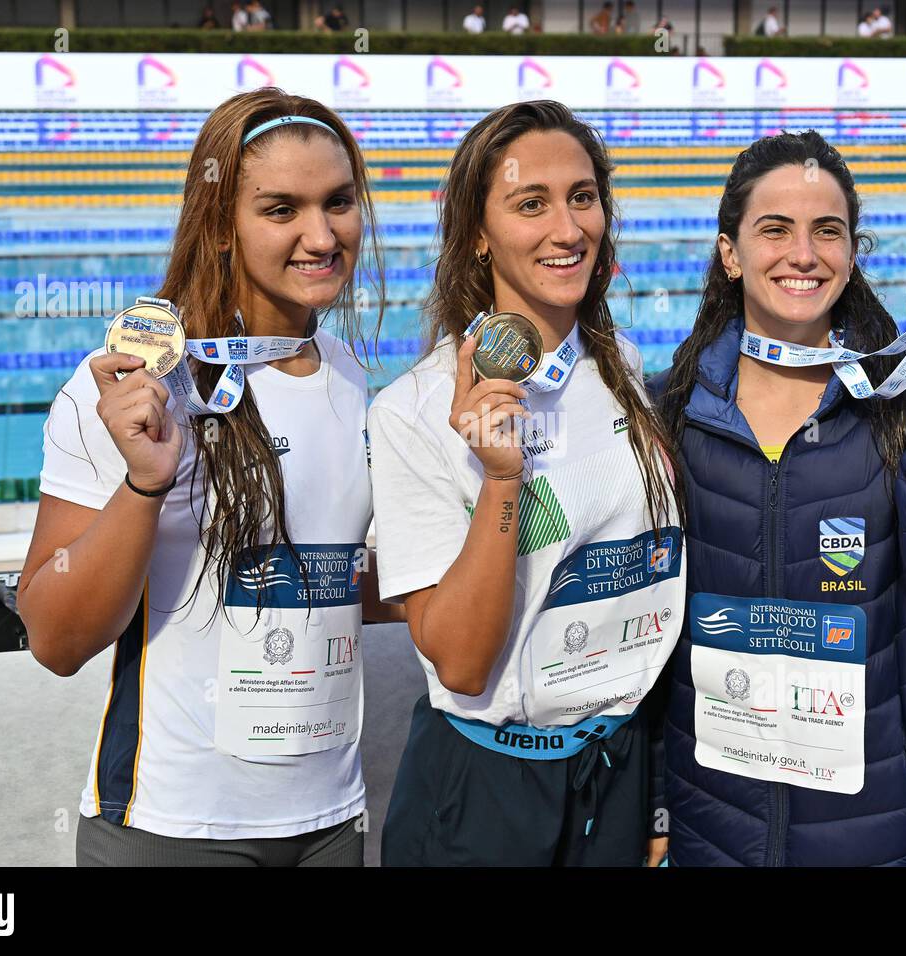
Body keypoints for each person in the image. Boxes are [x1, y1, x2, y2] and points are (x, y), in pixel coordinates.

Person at [18, 89, 402, 866]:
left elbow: (328, 580)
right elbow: (55, 638)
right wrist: (144, 483)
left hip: (329, 822)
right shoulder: (139, 393)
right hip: (174, 824)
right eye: (281, 209)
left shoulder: (353, 379)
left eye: (338, 202)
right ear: (221, 225)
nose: (321, 235)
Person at [650, 130, 906, 865]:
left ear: (852, 252)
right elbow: (654, 647)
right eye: (774, 229)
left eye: (828, 231)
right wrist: (660, 804)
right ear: (731, 253)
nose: (804, 254)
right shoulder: (674, 412)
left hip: (894, 831)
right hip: (721, 833)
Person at [368, 100, 686, 867]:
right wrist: (502, 480)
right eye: (530, 204)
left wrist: (658, 794)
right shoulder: (412, 411)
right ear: (477, 234)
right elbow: (463, 663)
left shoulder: (626, 372)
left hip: (619, 771)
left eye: (583, 197)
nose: (568, 229)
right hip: (486, 790)